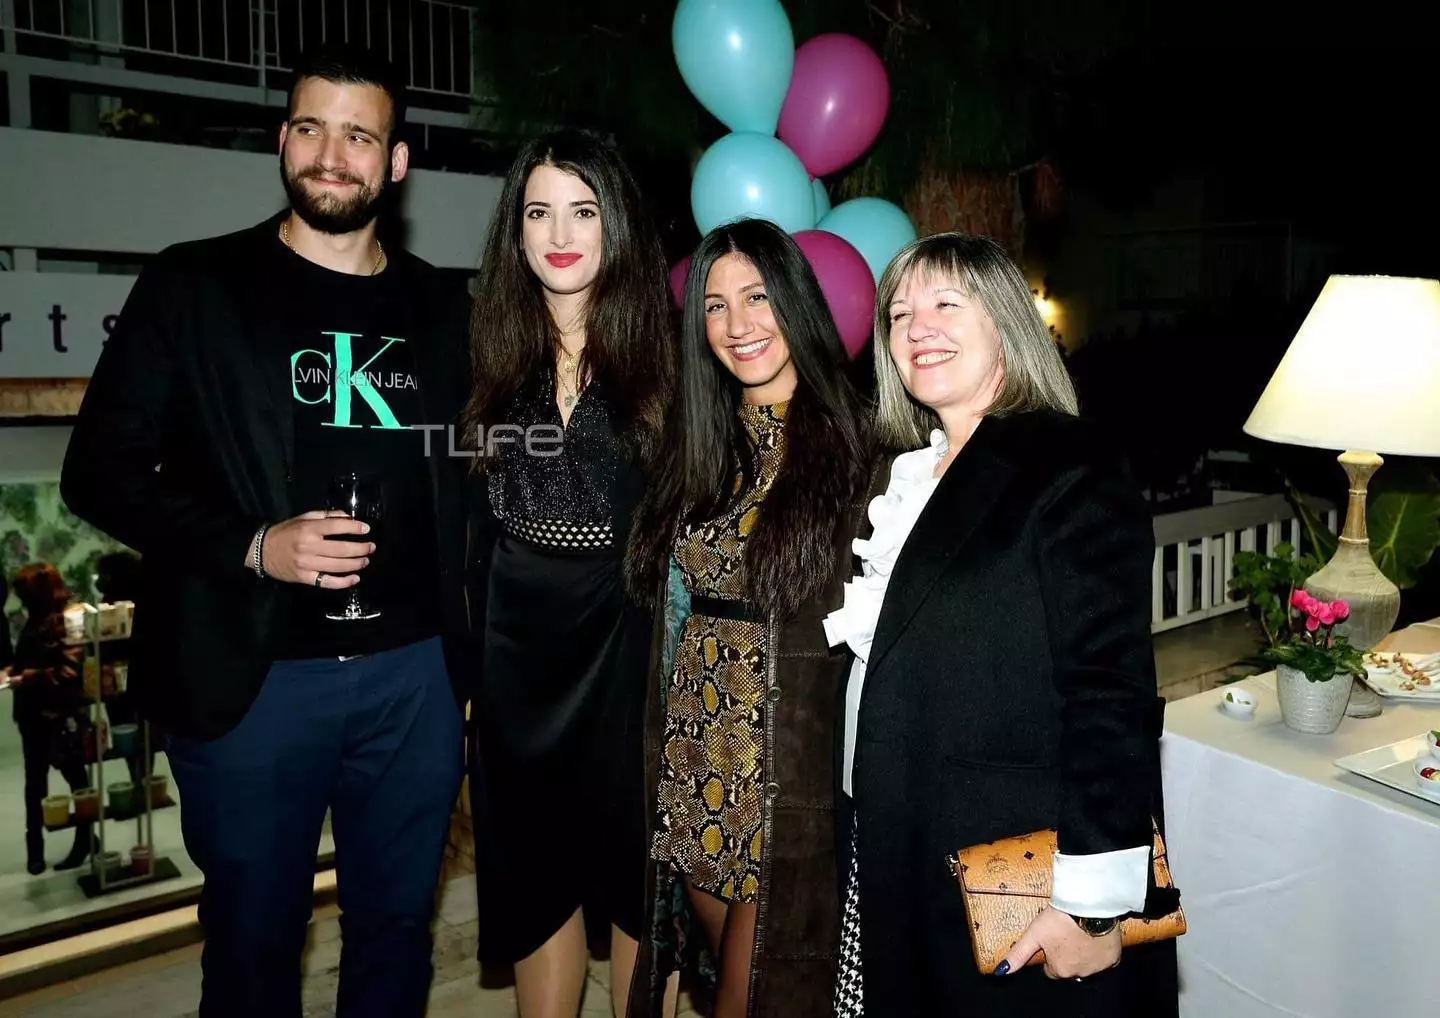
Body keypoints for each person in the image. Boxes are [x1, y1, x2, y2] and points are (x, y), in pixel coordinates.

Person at [60, 42, 474, 1018]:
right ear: (283, 140)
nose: (332, 155)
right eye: (312, 128)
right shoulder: (193, 287)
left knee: (396, 934)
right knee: (253, 943)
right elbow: (97, 474)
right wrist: (254, 544)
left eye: (359, 136)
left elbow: (485, 479)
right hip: (252, 683)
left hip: (413, 680)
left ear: (396, 162)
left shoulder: (448, 308)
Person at [825, 232, 1177, 1017]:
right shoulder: (908, 472)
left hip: (1004, 864)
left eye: (947, 304)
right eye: (899, 314)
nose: (917, 327)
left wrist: (1093, 908)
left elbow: (1108, 692)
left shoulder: (1070, 464)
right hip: (892, 835)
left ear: (1007, 325)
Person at [624, 218, 873, 1017]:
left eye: (758, 297)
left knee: (758, 996)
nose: (738, 325)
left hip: (786, 781)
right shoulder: (698, 446)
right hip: (696, 766)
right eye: (715, 305)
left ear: (795, 301)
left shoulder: (860, 453)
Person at [461, 128, 676, 1018]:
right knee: (534, 882)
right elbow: (464, 527)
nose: (559, 233)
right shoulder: (482, 352)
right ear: (514, 230)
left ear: (614, 223)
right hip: (516, 666)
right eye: (538, 211)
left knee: (637, 884)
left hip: (629, 657)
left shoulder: (672, 359)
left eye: (583, 211)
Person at [7, 564, 91, 874]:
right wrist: (14, 671)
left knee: (77, 783)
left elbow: (69, 673)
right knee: (36, 785)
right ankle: (36, 851)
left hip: (60, 715)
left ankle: (84, 840)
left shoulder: (70, 619)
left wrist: (26, 678)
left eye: (25, 595)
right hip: (33, 713)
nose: (22, 601)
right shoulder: (39, 617)